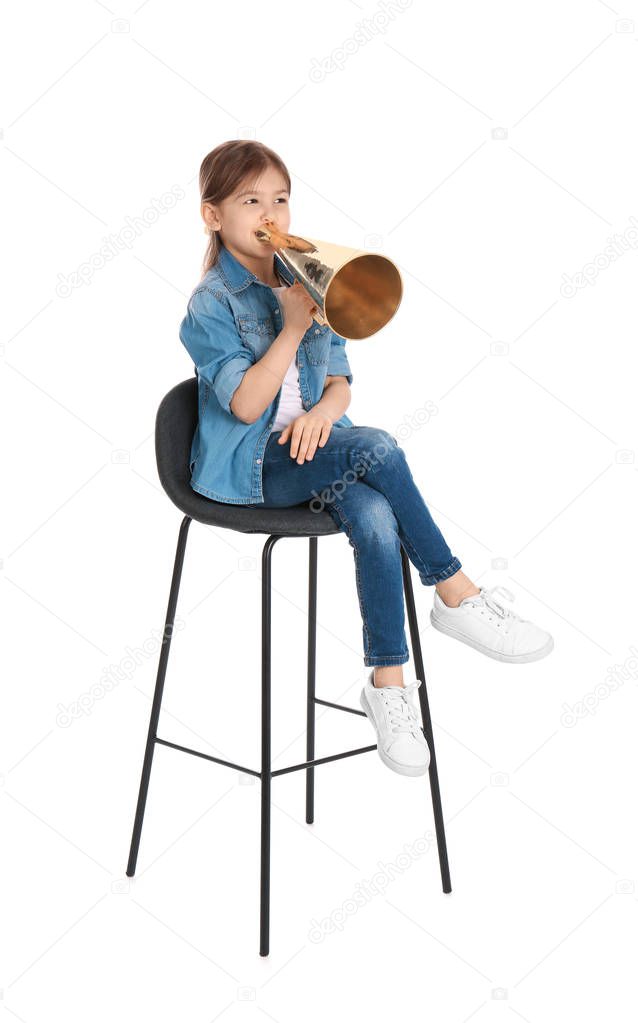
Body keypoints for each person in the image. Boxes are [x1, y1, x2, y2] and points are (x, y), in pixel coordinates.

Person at [179, 140, 554, 779]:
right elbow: (245, 407)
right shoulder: (211, 303)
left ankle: (387, 686)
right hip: (256, 471)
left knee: (376, 513)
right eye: (250, 202)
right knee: (377, 446)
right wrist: (292, 327)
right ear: (213, 216)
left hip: (323, 451)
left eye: (280, 199)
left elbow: (340, 382)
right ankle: (456, 593)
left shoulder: (304, 273)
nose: (270, 213)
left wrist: (326, 412)